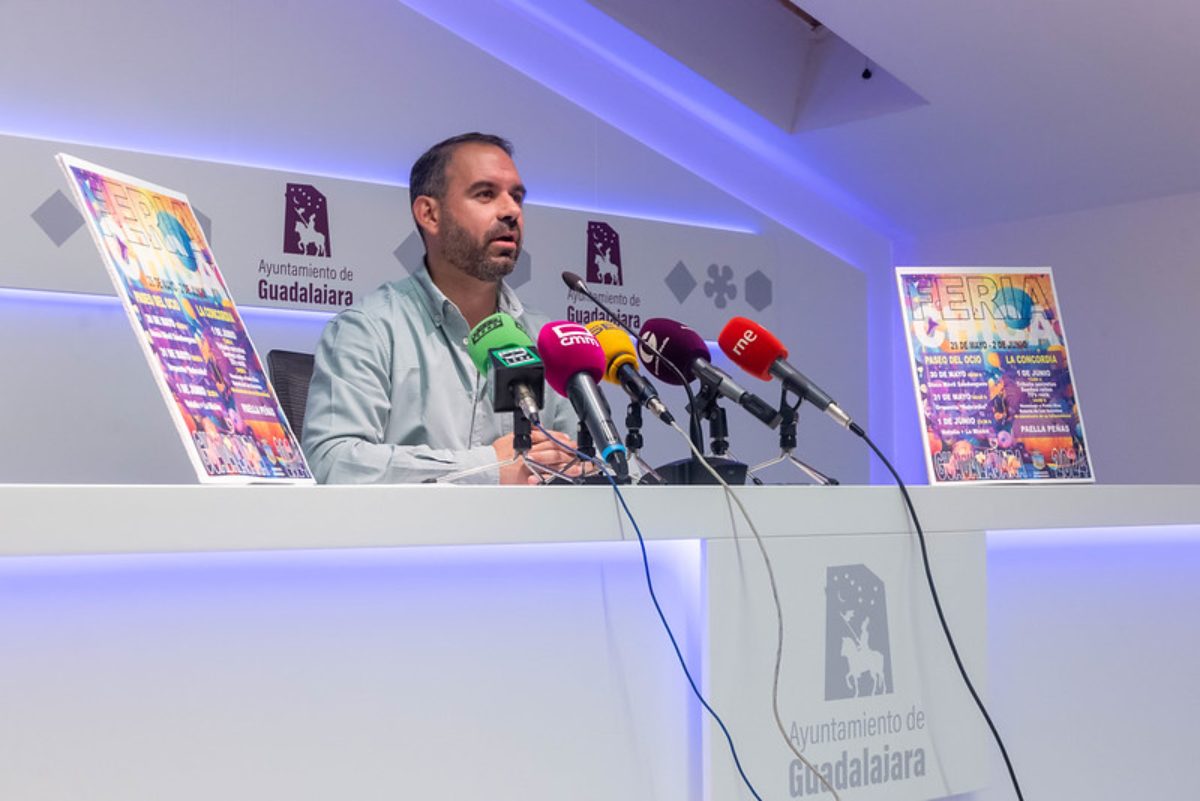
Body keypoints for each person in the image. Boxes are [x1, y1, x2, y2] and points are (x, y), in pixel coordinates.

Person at [302, 133, 580, 484]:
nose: (511, 211)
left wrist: (580, 467)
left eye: (517, 197)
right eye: (485, 194)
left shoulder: (546, 339)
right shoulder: (369, 329)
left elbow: (592, 460)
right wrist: (488, 468)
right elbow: (333, 462)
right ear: (429, 214)